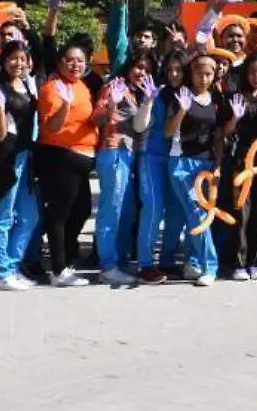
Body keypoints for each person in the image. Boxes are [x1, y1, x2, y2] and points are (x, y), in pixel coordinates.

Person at [35, 40, 105, 287]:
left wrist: (110, 108)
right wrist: (64, 106)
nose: (76, 65)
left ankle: (63, 257)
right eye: (70, 60)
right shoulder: (52, 88)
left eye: (81, 61)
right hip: (60, 156)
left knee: (82, 210)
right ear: (60, 62)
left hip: (82, 159)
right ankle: (58, 269)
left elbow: (90, 121)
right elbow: (52, 126)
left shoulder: (82, 87)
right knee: (59, 214)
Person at [0, 39, 43, 290]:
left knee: (30, 215)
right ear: (3, 60)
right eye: (13, 58)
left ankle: (13, 265)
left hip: (25, 156)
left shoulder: (27, 84)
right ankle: (1, 272)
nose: (18, 63)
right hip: (6, 158)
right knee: (3, 217)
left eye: (23, 58)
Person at [162, 52, 227, 286]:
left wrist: (218, 165)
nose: (204, 77)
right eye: (199, 72)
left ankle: (194, 262)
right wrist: (181, 110)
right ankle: (211, 266)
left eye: (209, 73)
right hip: (181, 162)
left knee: (193, 214)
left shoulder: (216, 100)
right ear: (192, 72)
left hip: (207, 164)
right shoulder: (181, 95)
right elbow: (168, 132)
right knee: (198, 214)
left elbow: (218, 136)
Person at [96, 53, 155, 286]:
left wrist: (148, 101)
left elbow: (139, 127)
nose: (142, 72)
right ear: (129, 67)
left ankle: (114, 261)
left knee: (122, 211)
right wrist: (110, 106)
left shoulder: (134, 92)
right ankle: (107, 266)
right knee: (110, 211)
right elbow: (97, 117)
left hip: (127, 153)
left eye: (147, 69)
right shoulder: (115, 86)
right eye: (139, 67)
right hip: (113, 151)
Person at [221, 52, 257, 280]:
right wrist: (235, 118)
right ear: (245, 73)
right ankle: (238, 262)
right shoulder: (236, 97)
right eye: (253, 71)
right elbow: (224, 132)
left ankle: (255, 261)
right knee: (240, 211)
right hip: (241, 160)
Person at [135, 51, 189, 284]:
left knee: (177, 210)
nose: (174, 74)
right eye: (169, 70)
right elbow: (139, 126)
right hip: (153, 155)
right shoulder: (156, 94)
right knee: (153, 208)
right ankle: (145, 264)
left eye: (178, 69)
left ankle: (166, 259)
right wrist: (147, 101)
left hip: (178, 158)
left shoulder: (190, 94)